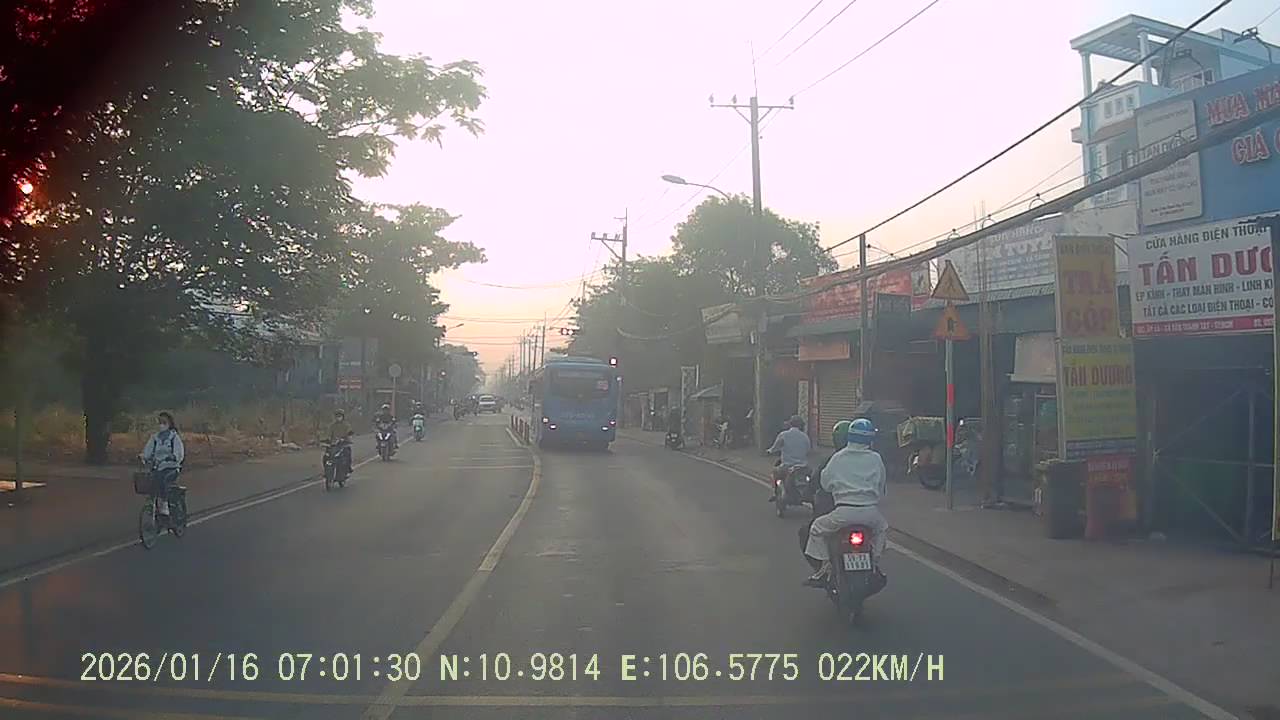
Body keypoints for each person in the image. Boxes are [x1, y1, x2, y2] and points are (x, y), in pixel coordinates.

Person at [803, 418, 889, 587]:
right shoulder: (876, 458)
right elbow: (881, 487)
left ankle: (825, 568)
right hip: (870, 513)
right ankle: (875, 564)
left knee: (816, 528)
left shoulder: (837, 458)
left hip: (843, 513)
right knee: (882, 529)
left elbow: (825, 484)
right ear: (870, 440)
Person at [141, 411, 185, 520]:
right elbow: (148, 450)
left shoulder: (174, 437)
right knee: (151, 480)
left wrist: (173, 457)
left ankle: (164, 504)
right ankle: (155, 504)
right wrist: (143, 456)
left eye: (164, 422)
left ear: (169, 423)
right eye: (160, 422)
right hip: (158, 467)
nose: (161, 425)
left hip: (171, 468)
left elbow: (179, 453)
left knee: (162, 479)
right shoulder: (155, 437)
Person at [767, 415, 812, 502]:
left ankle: (775, 493)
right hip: (803, 467)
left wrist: (769, 451)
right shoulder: (805, 437)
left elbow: (775, 447)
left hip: (787, 467)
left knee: (774, 472)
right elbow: (808, 450)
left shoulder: (784, 435)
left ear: (790, 424)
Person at [327, 409, 354, 475]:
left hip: (344, 444)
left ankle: (348, 468)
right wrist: (328, 440)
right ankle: (327, 470)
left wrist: (347, 438)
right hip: (334, 445)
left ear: (343, 416)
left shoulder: (346, 425)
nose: (338, 418)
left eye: (340, 416)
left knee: (347, 454)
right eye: (337, 416)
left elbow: (349, 433)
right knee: (326, 456)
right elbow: (328, 435)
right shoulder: (332, 426)